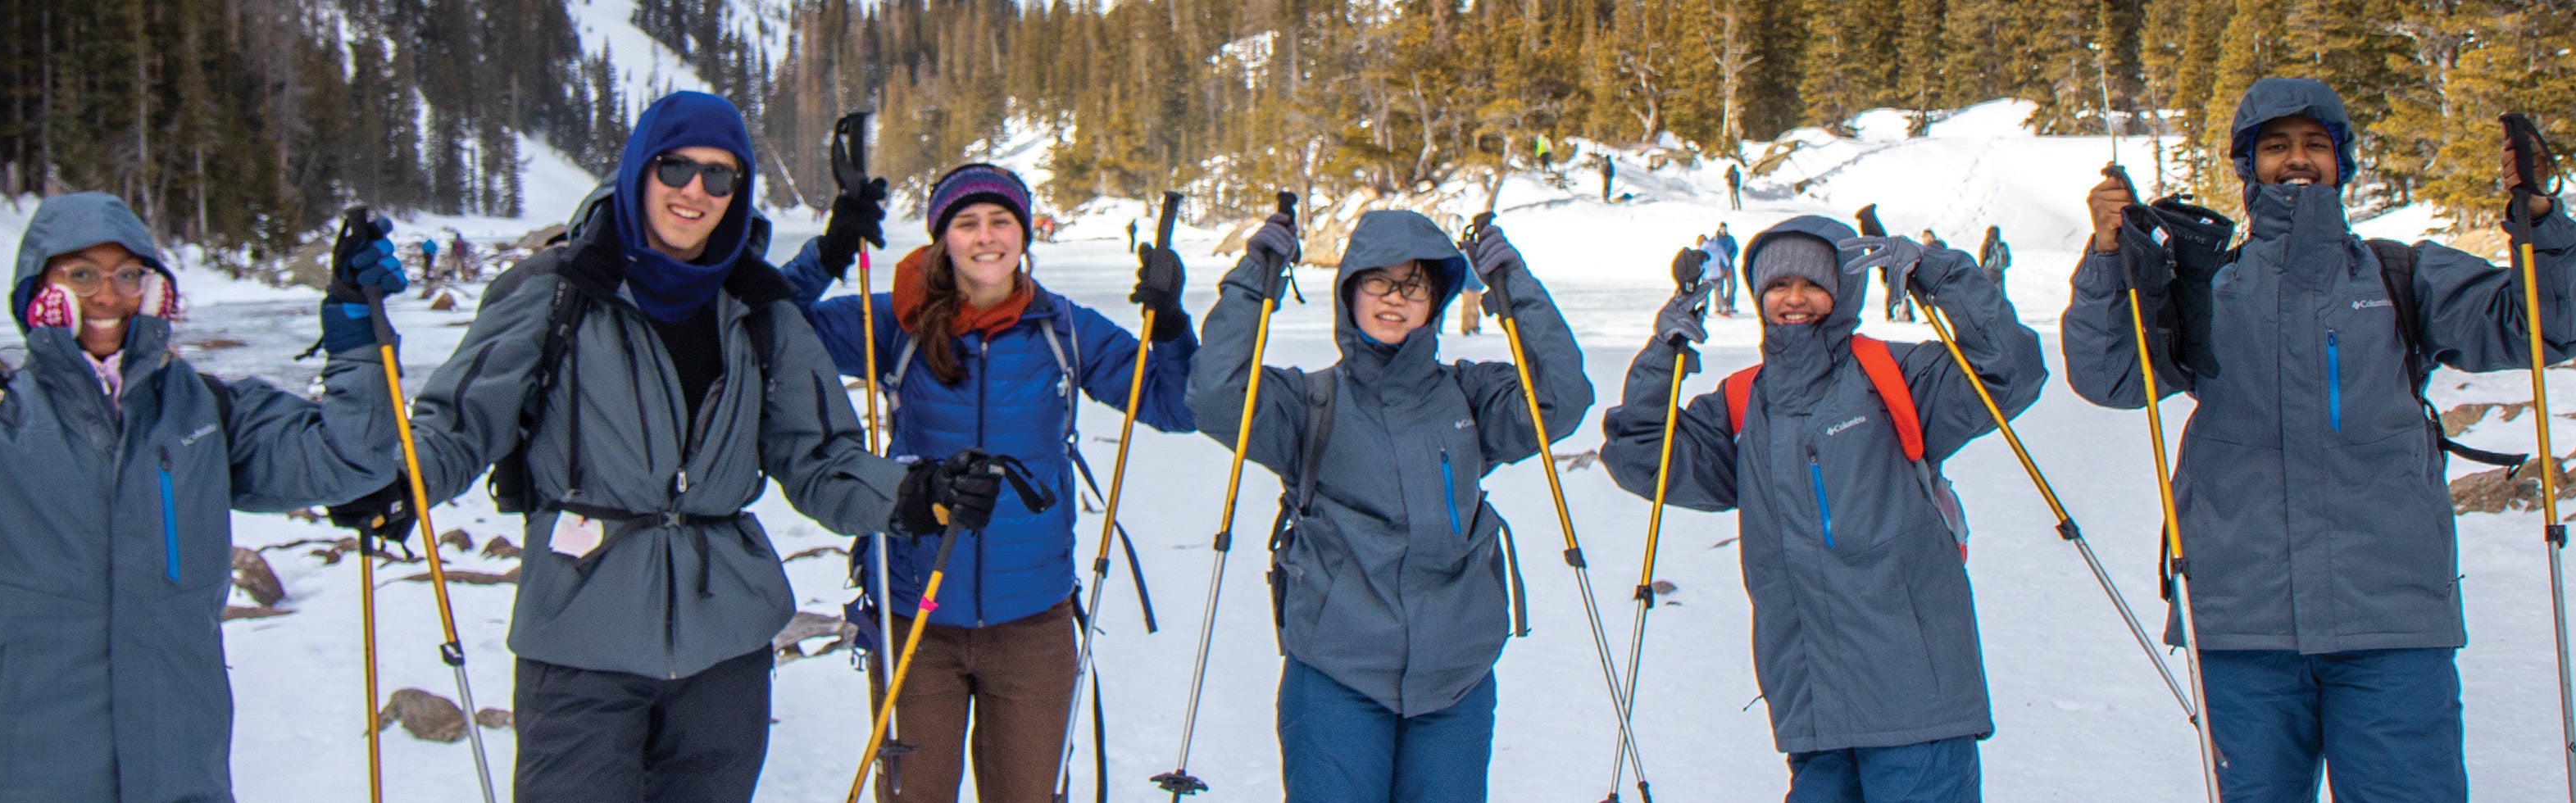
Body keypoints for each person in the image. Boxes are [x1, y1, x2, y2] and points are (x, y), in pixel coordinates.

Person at [339, 90, 1013, 801]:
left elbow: (820, 459)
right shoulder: (556, 289)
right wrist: (393, 479)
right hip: (579, 640)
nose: (695, 191)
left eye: (719, 176)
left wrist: (914, 494)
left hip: (724, 653)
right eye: (675, 168)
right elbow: (459, 424)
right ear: (638, 170)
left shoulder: (762, 310)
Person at [0, 192, 411, 801]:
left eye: (129, 275)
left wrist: (356, 335)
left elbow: (349, 459)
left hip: (178, 768)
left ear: (155, 291)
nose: (108, 296)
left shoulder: (209, 412)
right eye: (82, 274)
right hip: (23, 769)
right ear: (39, 289)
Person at [2061, 76, 2576, 802]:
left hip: (2391, 621)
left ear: (2343, 161)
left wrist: (2537, 218)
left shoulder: (2403, 274)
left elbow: (2547, 328)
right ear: (2248, 166)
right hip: (2240, 623)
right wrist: (2105, 255)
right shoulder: (2204, 284)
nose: (2297, 160)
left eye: (2315, 144)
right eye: (2275, 146)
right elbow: (2109, 378)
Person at [775, 163, 1201, 803]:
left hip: (1032, 623)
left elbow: (1175, 405)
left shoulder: (1064, 331)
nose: (986, 237)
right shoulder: (896, 322)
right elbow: (774, 325)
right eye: (966, 223)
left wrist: (1168, 324)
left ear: (1024, 233)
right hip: (914, 616)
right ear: (942, 238)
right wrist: (830, 253)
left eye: (1001, 220)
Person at [1601, 215, 2041, 802]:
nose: (1794, 299)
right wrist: (1664, 353)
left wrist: (1936, 275)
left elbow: (2011, 370)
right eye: (1778, 285)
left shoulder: (1896, 376)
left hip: (1917, 706)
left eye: (1812, 283)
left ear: (1844, 290)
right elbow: (1640, 459)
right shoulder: (1742, 404)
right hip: (1813, 708)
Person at [1190, 209, 1589, 802]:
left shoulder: (1469, 395)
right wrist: (1257, 279)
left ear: (1436, 299)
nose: (1395, 298)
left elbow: (1559, 400)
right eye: (1378, 280)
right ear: (1349, 289)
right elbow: (1218, 396)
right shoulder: (1306, 404)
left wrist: (1515, 286)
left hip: (1455, 681)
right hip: (1335, 676)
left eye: (1414, 285)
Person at [1706, 223, 1744, 318]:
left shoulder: (1730, 239)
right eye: (1722, 229)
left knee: (1732, 286)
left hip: (1729, 265)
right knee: (1719, 288)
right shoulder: (1715, 239)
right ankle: (1719, 306)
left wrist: (1731, 256)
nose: (1723, 231)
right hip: (1718, 266)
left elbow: (1735, 249)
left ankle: (1729, 305)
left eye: (1725, 229)